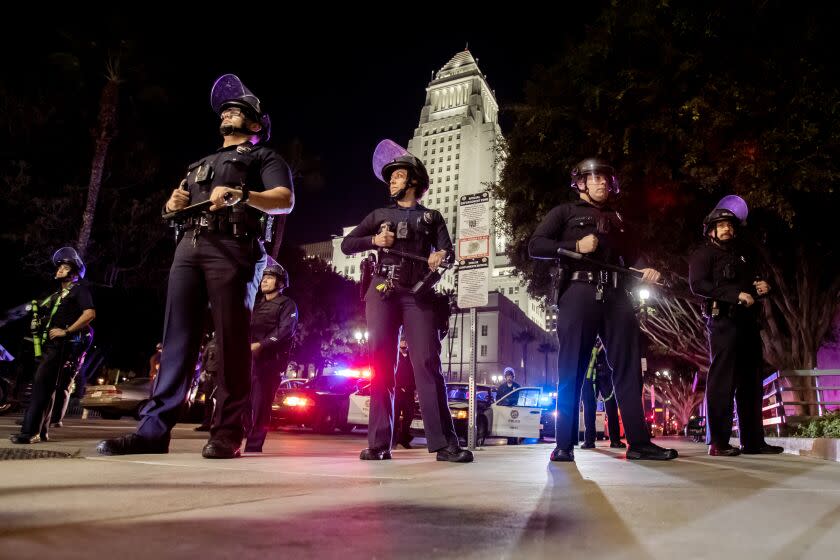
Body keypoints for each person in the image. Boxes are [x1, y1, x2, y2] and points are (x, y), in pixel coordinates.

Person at [97, 74, 294, 459]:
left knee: (232, 341)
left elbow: (283, 200)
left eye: (239, 110)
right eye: (227, 110)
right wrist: (174, 205)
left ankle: (227, 433)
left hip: (233, 248)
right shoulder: (199, 164)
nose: (230, 112)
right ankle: (153, 431)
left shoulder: (264, 157)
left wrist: (242, 195)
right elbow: (183, 202)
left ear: (255, 125)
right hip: (189, 245)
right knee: (176, 342)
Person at [528, 157, 677, 462]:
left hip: (617, 294)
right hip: (578, 293)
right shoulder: (564, 212)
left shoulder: (619, 219)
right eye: (593, 178)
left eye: (605, 179)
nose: (601, 183)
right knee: (572, 369)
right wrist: (574, 245)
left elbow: (633, 257)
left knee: (629, 367)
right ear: (580, 183)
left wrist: (646, 268)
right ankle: (565, 444)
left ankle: (638, 443)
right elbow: (535, 245)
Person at [340, 139, 472, 463]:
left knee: (427, 363)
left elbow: (448, 252)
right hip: (383, 291)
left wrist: (439, 255)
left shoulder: (433, 217)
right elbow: (347, 245)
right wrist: (375, 239)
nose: (392, 182)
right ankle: (378, 444)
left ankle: (444, 444)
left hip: (419, 295)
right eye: (390, 179)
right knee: (381, 365)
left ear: (413, 180)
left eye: (398, 177)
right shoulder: (379, 214)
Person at [689, 197, 783, 457]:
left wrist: (764, 288)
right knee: (723, 382)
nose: (726, 229)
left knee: (751, 382)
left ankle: (753, 441)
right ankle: (718, 442)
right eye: (720, 225)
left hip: (748, 324)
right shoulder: (703, 254)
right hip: (723, 322)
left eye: (730, 224)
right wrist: (734, 295)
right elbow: (698, 285)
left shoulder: (743, 255)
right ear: (711, 230)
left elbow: (752, 284)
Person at [11, 247, 95, 444]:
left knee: (41, 387)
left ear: (74, 273)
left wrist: (66, 331)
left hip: (62, 347)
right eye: (59, 267)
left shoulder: (79, 290)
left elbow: (90, 314)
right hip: (50, 347)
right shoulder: (58, 295)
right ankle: (41, 432)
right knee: (46, 389)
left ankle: (28, 433)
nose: (59, 270)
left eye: (64, 268)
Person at [244, 262, 298, 452]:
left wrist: (262, 345)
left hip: (270, 362)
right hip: (249, 360)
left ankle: (253, 445)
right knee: (243, 401)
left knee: (261, 404)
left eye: (270, 277)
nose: (264, 280)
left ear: (281, 282)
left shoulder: (287, 304)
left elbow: (285, 331)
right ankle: (241, 437)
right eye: (263, 277)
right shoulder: (257, 304)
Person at [579, 338, 625, 449]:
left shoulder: (607, 335)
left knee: (611, 408)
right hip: (589, 375)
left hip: (607, 376)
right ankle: (589, 440)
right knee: (589, 408)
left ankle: (615, 440)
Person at [393, 334, 416, 449]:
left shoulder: (412, 357)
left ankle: (403, 437)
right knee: (395, 415)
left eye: (406, 341)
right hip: (397, 391)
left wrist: (414, 388)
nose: (405, 343)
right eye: (402, 341)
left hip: (409, 392)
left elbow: (414, 374)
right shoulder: (396, 356)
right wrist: (399, 386)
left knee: (409, 415)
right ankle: (394, 439)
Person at [194, 334, 218, 432]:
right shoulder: (211, 343)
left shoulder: (226, 341)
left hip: (220, 376)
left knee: (220, 401)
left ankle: (217, 424)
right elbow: (204, 358)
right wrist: (203, 371)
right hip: (209, 375)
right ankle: (206, 424)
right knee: (208, 401)